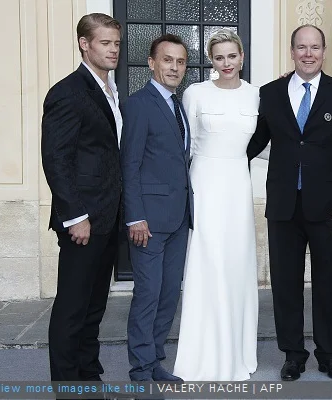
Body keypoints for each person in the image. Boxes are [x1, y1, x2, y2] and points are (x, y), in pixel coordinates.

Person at [247, 24, 332, 382]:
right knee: (285, 284)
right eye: (302, 47)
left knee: (329, 283)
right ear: (292, 51)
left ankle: (330, 355)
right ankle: (293, 355)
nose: (308, 53)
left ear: (324, 51)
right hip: (283, 205)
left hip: (330, 207)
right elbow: (251, 143)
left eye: (315, 47)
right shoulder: (269, 94)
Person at [172, 29, 259, 382]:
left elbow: (266, 140)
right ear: (212, 60)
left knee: (237, 264)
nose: (226, 63)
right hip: (205, 184)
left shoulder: (256, 95)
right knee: (207, 263)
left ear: (241, 57)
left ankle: (237, 352)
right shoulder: (195, 94)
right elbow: (185, 146)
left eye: (231, 56)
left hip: (238, 184)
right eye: (219, 57)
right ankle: (202, 354)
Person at [41, 13, 123, 384]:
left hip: (108, 216)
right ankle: (67, 388)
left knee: (94, 309)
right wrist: (76, 217)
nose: (113, 50)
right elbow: (56, 159)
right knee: (72, 310)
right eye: (105, 43)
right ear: (84, 44)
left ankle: (90, 381)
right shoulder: (68, 91)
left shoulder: (110, 89)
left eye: (116, 43)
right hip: (84, 221)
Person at [121, 34, 193, 382]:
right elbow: (129, 164)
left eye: (180, 62)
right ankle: (139, 370)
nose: (174, 67)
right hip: (147, 221)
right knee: (147, 296)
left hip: (178, 219)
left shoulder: (176, 105)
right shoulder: (139, 104)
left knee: (167, 296)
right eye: (167, 60)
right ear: (152, 62)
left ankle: (155, 362)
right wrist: (135, 216)